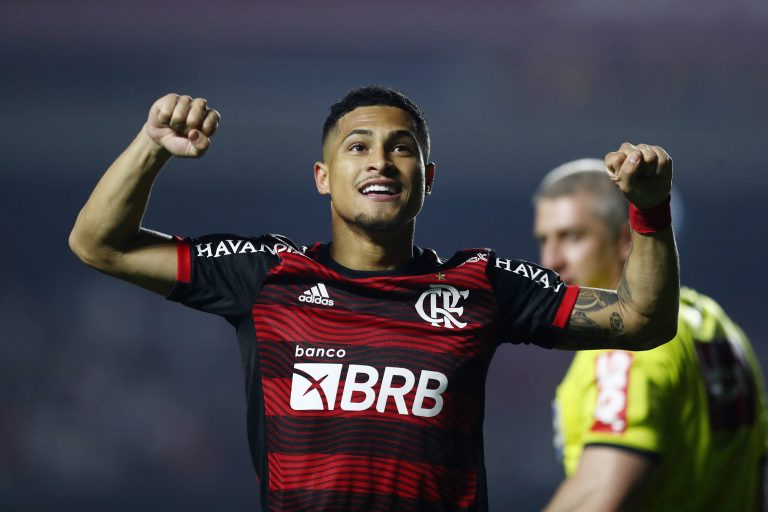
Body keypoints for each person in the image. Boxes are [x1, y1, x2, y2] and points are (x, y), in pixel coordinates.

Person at [69, 86, 679, 512]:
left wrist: (649, 210)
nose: (380, 162)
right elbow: (99, 244)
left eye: (402, 147)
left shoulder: (481, 282)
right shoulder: (266, 274)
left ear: (427, 180)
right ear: (323, 177)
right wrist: (151, 145)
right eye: (358, 146)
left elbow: (642, 320)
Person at [533, 159, 767, 512]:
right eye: (544, 239)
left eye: (573, 236)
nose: (551, 260)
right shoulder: (716, 325)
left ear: (627, 239)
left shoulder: (627, 347)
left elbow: (601, 491)